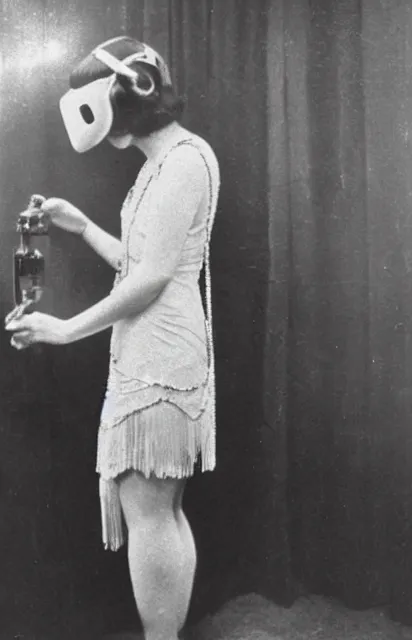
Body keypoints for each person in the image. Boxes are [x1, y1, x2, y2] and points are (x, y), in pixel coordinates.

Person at [5, 35, 220, 640]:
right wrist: (81, 226)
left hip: (162, 359)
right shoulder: (164, 163)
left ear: (132, 93)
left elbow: (151, 279)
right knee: (160, 511)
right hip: (151, 352)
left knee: (152, 513)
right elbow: (139, 259)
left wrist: (67, 329)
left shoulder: (183, 162)